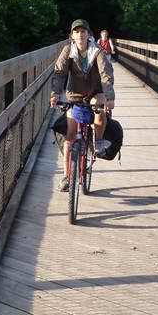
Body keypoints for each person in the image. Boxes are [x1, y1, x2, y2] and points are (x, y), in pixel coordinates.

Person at [50, 19, 116, 191]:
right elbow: (59, 73)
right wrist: (55, 93)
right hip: (75, 95)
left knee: (100, 109)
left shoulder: (98, 51)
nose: (80, 34)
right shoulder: (68, 51)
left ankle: (99, 142)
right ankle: (66, 176)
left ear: (89, 34)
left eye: (83, 31)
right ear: (72, 35)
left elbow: (106, 74)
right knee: (70, 136)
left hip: (95, 92)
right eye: (76, 32)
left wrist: (109, 97)